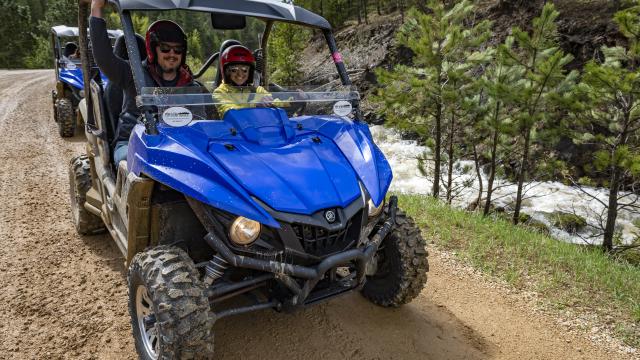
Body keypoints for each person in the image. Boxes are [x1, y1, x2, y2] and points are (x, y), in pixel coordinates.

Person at [90, 0, 198, 164]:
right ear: (152, 49)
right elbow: (104, 57)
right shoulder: (134, 74)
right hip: (132, 143)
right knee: (142, 162)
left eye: (178, 49)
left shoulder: (190, 85)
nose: (172, 54)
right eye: (165, 48)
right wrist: (96, 8)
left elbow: (202, 122)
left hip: (177, 145)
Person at [213, 45, 283, 118]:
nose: (240, 74)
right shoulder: (219, 93)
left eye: (244, 70)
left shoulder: (256, 89)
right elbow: (231, 113)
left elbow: (274, 101)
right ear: (227, 72)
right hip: (233, 128)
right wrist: (255, 105)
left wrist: (289, 102)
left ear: (250, 72)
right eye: (234, 70)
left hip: (257, 127)